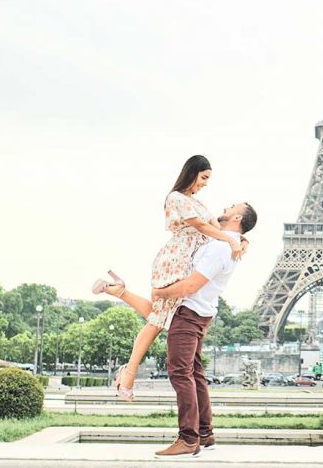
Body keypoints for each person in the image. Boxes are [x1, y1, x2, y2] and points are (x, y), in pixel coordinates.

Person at [99, 201, 257, 457]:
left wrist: (160, 291)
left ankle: (188, 438)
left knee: (180, 374)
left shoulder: (220, 247)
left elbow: (190, 286)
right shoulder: (228, 243)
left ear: (237, 217)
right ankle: (204, 434)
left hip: (189, 312)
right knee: (194, 374)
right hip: (200, 313)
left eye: (231, 206)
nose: (225, 206)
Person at [91, 155, 243, 400]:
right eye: (203, 177)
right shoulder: (176, 198)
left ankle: (118, 291)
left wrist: (241, 240)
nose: (205, 183)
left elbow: (218, 227)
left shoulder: (199, 203)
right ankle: (128, 374)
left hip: (188, 260)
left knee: (161, 316)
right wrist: (229, 240)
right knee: (159, 320)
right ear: (192, 172)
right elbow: (205, 228)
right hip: (175, 260)